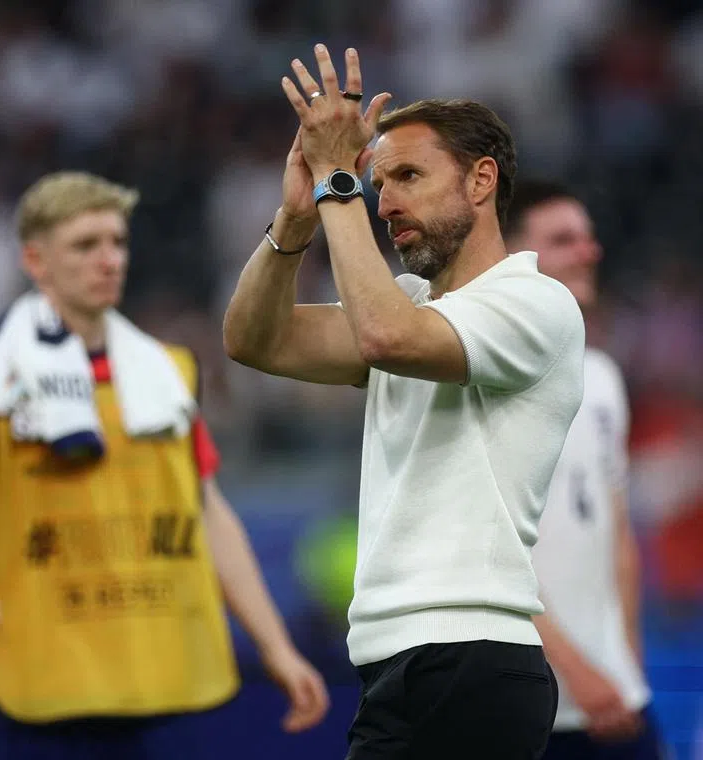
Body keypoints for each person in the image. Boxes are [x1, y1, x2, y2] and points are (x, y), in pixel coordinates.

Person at [223, 45, 586, 759]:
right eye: (375, 180)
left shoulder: (535, 303)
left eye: (409, 176)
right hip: (419, 663)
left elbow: (388, 335)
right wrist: (295, 222)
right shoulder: (408, 305)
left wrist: (337, 182)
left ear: (483, 181)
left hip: (464, 655)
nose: (383, 202)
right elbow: (251, 340)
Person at [0, 171, 329, 760]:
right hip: (42, 679)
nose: (109, 260)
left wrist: (275, 646)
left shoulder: (167, 372)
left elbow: (208, 513)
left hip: (153, 675)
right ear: (35, 261)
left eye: (116, 242)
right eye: (85, 246)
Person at [504, 180, 666, 759]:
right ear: (514, 258)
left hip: (617, 699)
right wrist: (576, 674)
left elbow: (618, 538)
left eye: (590, 238)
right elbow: (490, 554)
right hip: (535, 710)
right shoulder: (491, 384)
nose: (590, 251)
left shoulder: (601, 378)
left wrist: (624, 661)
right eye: (565, 239)